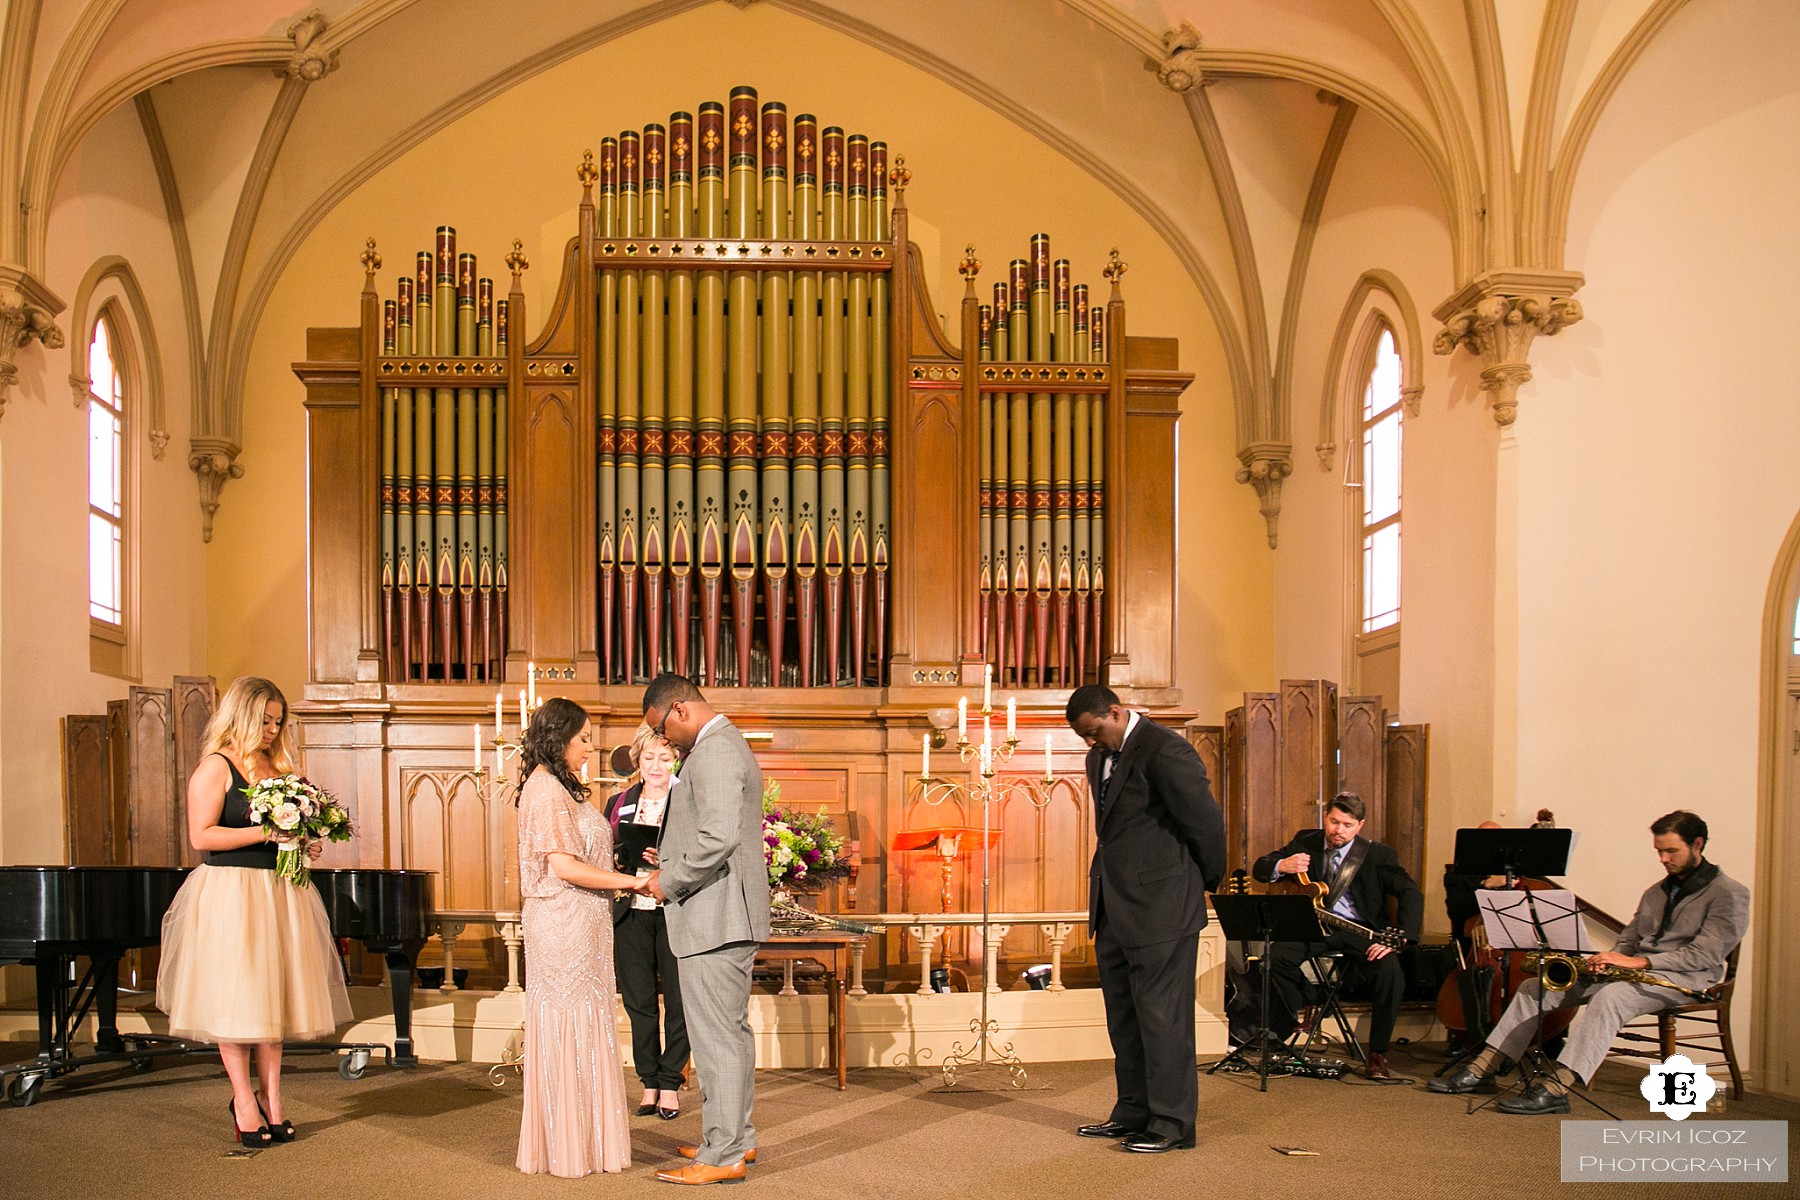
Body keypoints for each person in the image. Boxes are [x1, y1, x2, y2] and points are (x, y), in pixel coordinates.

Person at [1428, 810, 1749, 1114]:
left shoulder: (1729, 893)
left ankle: (1556, 1088)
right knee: (1531, 988)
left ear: (1697, 845)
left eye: (1671, 851)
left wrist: (1638, 964)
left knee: (1612, 997)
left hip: (1687, 979)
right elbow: (1629, 939)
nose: (1663, 859)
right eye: (1658, 852)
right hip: (1634, 971)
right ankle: (1483, 1069)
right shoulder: (1655, 892)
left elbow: (1703, 956)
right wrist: (1609, 958)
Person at [157, 675, 351, 1147]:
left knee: (273, 998)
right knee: (238, 997)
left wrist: (305, 841)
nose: (271, 729)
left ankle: (274, 1100)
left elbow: (292, 830)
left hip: (280, 891)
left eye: (278, 721)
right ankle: (244, 1100)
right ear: (241, 715)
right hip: (232, 893)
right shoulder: (215, 767)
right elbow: (201, 836)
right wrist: (267, 834)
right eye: (264, 720)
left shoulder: (279, 765)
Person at [1064, 683, 1225, 1154]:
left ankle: (1172, 1124)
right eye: (1085, 738)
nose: (1091, 744)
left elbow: (1206, 825)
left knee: (1163, 1020)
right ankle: (1132, 1112)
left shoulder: (1167, 750)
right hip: (1114, 907)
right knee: (1125, 1019)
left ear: (1115, 711)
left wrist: (1200, 883)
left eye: (1094, 732)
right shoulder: (1098, 760)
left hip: (1162, 908)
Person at [640, 673, 771, 1186]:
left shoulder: (714, 749)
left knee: (716, 1039)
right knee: (729, 1036)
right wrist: (668, 856)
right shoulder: (723, 744)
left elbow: (717, 837)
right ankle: (736, 1137)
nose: (664, 742)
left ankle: (722, 1156)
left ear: (678, 710)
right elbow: (716, 832)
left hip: (715, 917)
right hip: (723, 911)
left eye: (662, 729)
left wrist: (666, 879)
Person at [514, 697, 645, 1176]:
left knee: (588, 1024)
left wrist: (627, 865)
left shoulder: (565, 789)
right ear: (559, 737)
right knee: (569, 1026)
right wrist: (632, 883)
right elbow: (565, 867)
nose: (590, 747)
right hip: (563, 925)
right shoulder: (546, 788)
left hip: (586, 923)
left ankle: (587, 1141)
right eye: (583, 738)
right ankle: (567, 1146)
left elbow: (587, 859)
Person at [1252, 792, 1425, 1081]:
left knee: (1390, 973)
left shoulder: (1378, 855)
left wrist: (1400, 937)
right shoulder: (1305, 841)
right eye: (1334, 822)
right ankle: (1313, 1000)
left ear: (1360, 825)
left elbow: (1411, 892)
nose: (1338, 830)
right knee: (1274, 959)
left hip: (1359, 931)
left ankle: (1378, 1054)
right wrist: (1281, 866)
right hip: (1314, 926)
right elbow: (1260, 867)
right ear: (1325, 817)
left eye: (1347, 825)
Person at [605, 724, 690, 1121]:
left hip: (675, 911)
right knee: (639, 1004)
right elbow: (605, 853)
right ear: (637, 760)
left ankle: (671, 1082)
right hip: (631, 911)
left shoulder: (688, 798)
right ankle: (649, 1082)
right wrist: (620, 858)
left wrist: (668, 860)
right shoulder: (618, 801)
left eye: (665, 757)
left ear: (675, 759)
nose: (656, 765)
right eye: (649, 757)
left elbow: (702, 853)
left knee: (678, 1003)